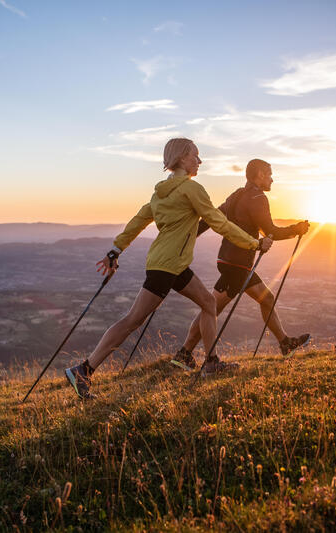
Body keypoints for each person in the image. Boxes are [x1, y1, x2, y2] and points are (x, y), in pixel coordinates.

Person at [64, 139, 273, 399]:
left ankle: (211, 363)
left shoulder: (159, 193)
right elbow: (219, 222)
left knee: (209, 303)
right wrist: (254, 243)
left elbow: (138, 221)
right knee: (132, 321)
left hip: (169, 263)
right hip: (168, 266)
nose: (200, 161)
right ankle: (84, 370)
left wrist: (115, 250)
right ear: (183, 158)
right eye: (196, 156)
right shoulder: (191, 189)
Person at [171, 159, 310, 370]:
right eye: (270, 174)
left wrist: (191, 236)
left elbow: (212, 217)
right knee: (211, 309)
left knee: (266, 298)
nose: (272, 179)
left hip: (229, 260)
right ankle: (184, 354)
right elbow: (270, 231)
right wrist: (296, 229)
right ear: (260, 175)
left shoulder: (237, 194)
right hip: (239, 264)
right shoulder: (258, 198)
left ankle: (284, 343)